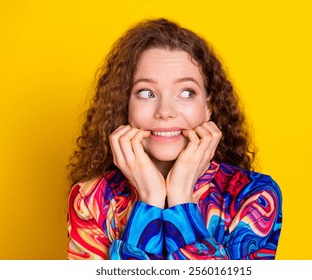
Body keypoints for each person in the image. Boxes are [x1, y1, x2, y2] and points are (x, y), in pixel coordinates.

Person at [67, 18, 282, 260]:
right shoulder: (90, 200)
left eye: (186, 93)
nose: (165, 111)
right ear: (124, 105)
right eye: (147, 93)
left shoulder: (254, 196)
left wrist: (181, 196)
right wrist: (149, 199)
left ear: (208, 107)